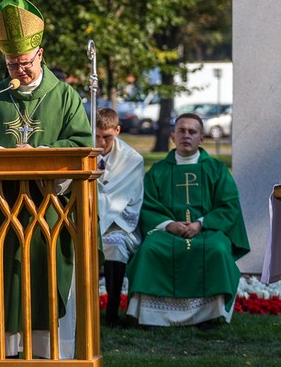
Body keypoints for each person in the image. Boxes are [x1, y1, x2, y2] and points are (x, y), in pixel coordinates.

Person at [0, 0, 91, 358]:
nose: (20, 71)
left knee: (42, 275)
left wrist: (42, 155)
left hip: (49, 208)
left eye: (25, 63)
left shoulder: (65, 97)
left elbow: (81, 142)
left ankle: (47, 354)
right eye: (12, 64)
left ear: (41, 55)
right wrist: (4, 157)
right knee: (1, 278)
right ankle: (0, 352)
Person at [126, 113, 250, 328]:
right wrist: (169, 225)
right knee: (150, 249)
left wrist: (201, 223)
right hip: (167, 230)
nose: (186, 136)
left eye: (192, 132)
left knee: (217, 249)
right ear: (172, 136)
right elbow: (146, 205)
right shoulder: (159, 171)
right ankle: (153, 317)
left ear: (202, 138)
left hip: (207, 230)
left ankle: (209, 315)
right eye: (181, 131)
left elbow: (229, 205)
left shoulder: (216, 170)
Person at [95, 107, 144, 327]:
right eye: (95, 136)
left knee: (114, 246)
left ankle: (112, 312)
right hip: (85, 217)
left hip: (119, 223)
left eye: (107, 137)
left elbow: (117, 197)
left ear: (117, 130)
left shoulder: (132, 159)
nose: (100, 143)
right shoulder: (82, 151)